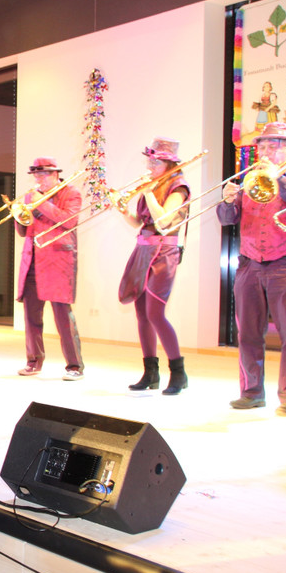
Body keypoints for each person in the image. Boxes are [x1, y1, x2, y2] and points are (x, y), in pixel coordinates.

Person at [217, 122, 286, 416]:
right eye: (261, 147)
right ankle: (251, 393)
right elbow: (227, 219)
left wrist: (280, 179)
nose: (264, 152)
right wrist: (227, 200)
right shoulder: (250, 179)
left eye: (272, 147)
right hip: (250, 264)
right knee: (248, 333)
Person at [117, 137, 191, 395]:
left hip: (164, 252)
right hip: (144, 249)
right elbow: (140, 223)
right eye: (149, 160)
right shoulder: (155, 185)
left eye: (155, 162)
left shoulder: (178, 187)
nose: (150, 166)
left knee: (155, 313)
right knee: (141, 313)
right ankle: (151, 372)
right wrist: (123, 210)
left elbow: (163, 220)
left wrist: (148, 192)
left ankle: (178, 372)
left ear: (169, 164)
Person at [15, 158, 84, 380]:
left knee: (63, 317)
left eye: (43, 175)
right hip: (33, 261)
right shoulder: (31, 196)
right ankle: (33, 361)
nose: (39, 180)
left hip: (58, 262)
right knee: (31, 317)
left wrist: (41, 203)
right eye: (36, 176)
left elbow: (68, 221)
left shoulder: (71, 193)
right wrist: (19, 215)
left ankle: (75, 366)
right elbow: (24, 231)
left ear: (55, 175)